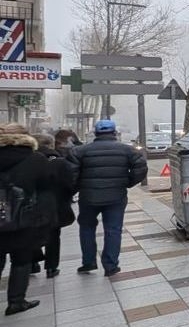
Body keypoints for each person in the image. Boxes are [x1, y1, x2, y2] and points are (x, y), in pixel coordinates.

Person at [66, 120, 147, 276]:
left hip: (88, 198)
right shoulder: (127, 150)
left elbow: (71, 175)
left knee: (87, 228)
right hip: (116, 197)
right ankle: (110, 266)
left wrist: (78, 188)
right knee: (113, 230)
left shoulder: (80, 151)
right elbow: (141, 167)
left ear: (96, 134)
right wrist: (128, 183)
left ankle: (88, 262)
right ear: (115, 133)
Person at [0, 123, 56, 315]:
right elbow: (48, 187)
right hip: (23, 217)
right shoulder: (35, 159)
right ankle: (16, 301)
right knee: (21, 260)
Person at [31, 133, 75, 279]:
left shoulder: (28, 160)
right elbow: (71, 184)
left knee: (30, 235)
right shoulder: (60, 162)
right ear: (51, 145)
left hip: (31, 205)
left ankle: (32, 263)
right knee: (53, 236)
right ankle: (51, 267)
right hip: (55, 205)